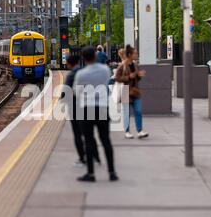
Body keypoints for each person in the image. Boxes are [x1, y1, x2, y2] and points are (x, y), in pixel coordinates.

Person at [73, 46, 118, 182]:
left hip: (87, 108)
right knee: (106, 140)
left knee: (88, 141)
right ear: (95, 55)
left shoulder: (81, 74)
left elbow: (76, 91)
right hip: (103, 107)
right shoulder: (105, 70)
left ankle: (91, 174)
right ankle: (112, 172)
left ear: (84, 59)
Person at [64, 55, 100, 167]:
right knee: (89, 134)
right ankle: (96, 156)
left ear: (69, 64)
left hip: (75, 108)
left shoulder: (71, 75)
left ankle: (82, 158)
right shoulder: (84, 72)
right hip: (87, 106)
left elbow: (66, 92)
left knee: (77, 134)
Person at [115, 45, 149, 139]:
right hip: (126, 91)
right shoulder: (123, 65)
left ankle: (140, 131)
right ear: (129, 54)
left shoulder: (135, 65)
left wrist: (139, 75)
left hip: (135, 90)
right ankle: (127, 131)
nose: (136, 55)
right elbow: (117, 78)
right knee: (126, 112)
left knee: (138, 111)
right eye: (135, 53)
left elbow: (137, 79)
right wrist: (128, 77)